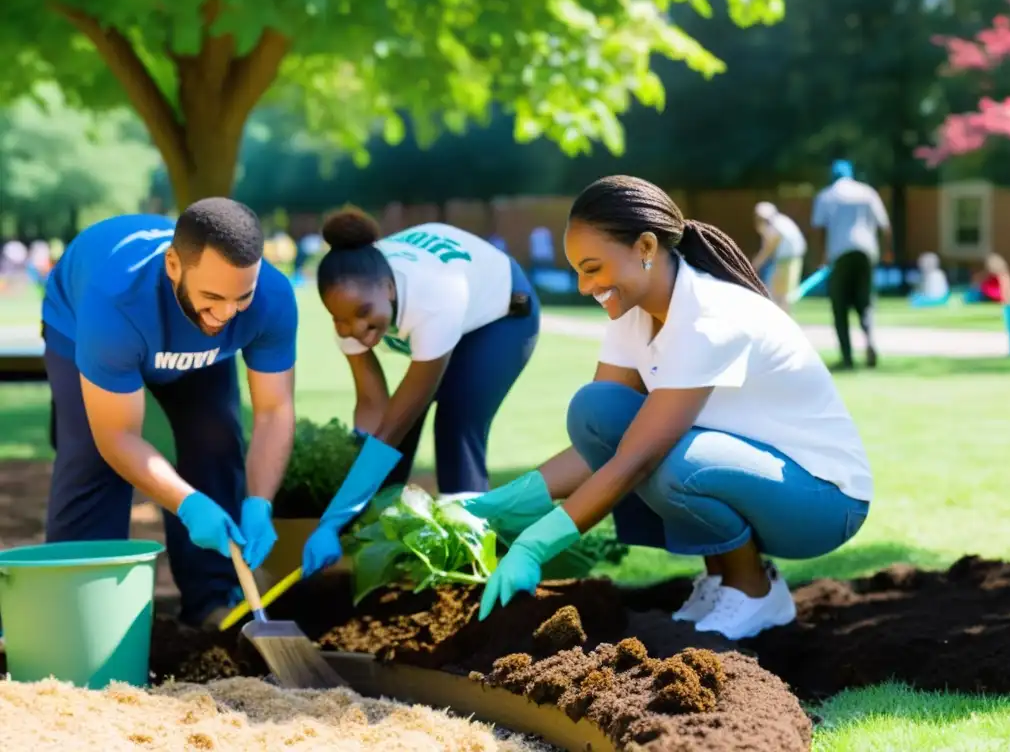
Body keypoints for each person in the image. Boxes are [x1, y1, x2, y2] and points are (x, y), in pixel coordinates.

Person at [461, 175, 873, 641]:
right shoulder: (634, 312)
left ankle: (755, 592)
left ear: (645, 246)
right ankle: (722, 581)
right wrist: (506, 502)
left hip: (822, 501)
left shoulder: (709, 319)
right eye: (578, 270)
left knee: (670, 461)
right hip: (753, 478)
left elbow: (638, 456)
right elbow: (602, 440)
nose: (583, 286)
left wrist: (536, 544)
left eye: (592, 268)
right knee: (595, 410)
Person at [40, 199, 298, 628]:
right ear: (174, 266)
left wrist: (259, 501)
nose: (226, 315)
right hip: (78, 323)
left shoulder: (271, 299)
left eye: (242, 297)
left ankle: (212, 601)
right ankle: (80, 612)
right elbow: (117, 437)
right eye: (212, 297)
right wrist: (189, 504)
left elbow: (273, 410)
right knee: (90, 456)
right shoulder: (114, 303)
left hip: (194, 350)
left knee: (215, 438)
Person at [301, 209, 541, 577]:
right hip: (456, 300)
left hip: (502, 312)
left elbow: (395, 424)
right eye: (341, 320)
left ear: (390, 289)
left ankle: (473, 569)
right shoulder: (350, 307)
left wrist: (333, 519)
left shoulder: (430, 298)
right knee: (383, 443)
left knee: (456, 423)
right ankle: (384, 563)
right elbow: (371, 407)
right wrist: (355, 476)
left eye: (365, 313)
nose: (357, 330)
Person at [811, 160, 892, 371]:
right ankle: (869, 340)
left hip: (840, 254)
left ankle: (847, 357)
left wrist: (822, 257)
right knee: (865, 303)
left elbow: (820, 229)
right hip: (866, 253)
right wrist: (888, 252)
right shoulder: (867, 193)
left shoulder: (826, 195)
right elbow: (885, 225)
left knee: (840, 306)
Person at [749, 202, 807, 312]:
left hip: (787, 261)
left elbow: (769, 246)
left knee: (781, 295)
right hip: (788, 260)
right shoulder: (781, 221)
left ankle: (782, 321)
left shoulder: (774, 225)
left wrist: (756, 263)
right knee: (780, 294)